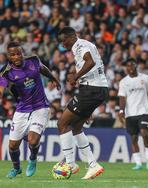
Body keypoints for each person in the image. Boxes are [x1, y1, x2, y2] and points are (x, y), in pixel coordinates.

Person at [0, 41, 60, 178]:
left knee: (33, 140)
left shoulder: (33, 60)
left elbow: (43, 69)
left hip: (40, 107)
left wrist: (53, 78)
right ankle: (16, 168)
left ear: (22, 52)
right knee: (12, 146)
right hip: (22, 109)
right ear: (9, 56)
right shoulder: (6, 72)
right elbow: (0, 87)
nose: (17, 57)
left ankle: (33, 160)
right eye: (13, 55)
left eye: (19, 53)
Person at [57, 26, 108, 179]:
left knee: (62, 123)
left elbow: (90, 62)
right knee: (76, 126)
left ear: (72, 36)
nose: (62, 44)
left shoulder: (80, 45)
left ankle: (71, 164)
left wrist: (76, 76)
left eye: (63, 40)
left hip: (92, 89)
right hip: (97, 89)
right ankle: (92, 164)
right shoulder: (83, 45)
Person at [118, 58, 148, 170]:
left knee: (144, 133)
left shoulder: (145, 78)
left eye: (131, 65)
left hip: (144, 111)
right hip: (130, 114)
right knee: (134, 138)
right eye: (127, 66)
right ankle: (138, 163)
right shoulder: (123, 82)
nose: (129, 68)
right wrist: (121, 111)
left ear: (136, 66)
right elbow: (122, 98)